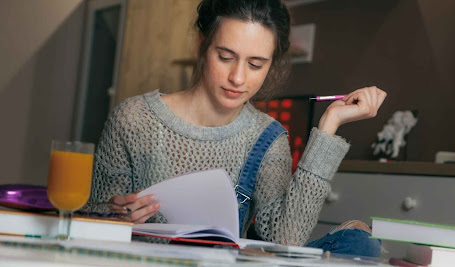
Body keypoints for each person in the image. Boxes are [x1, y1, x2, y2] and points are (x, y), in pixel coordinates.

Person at [87, 0, 386, 257]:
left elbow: (285, 242)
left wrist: (329, 126)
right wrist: (116, 216)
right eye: (226, 57)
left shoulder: (267, 137)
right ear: (201, 45)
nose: (238, 78)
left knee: (361, 247)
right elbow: (88, 224)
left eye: (256, 64)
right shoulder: (134, 119)